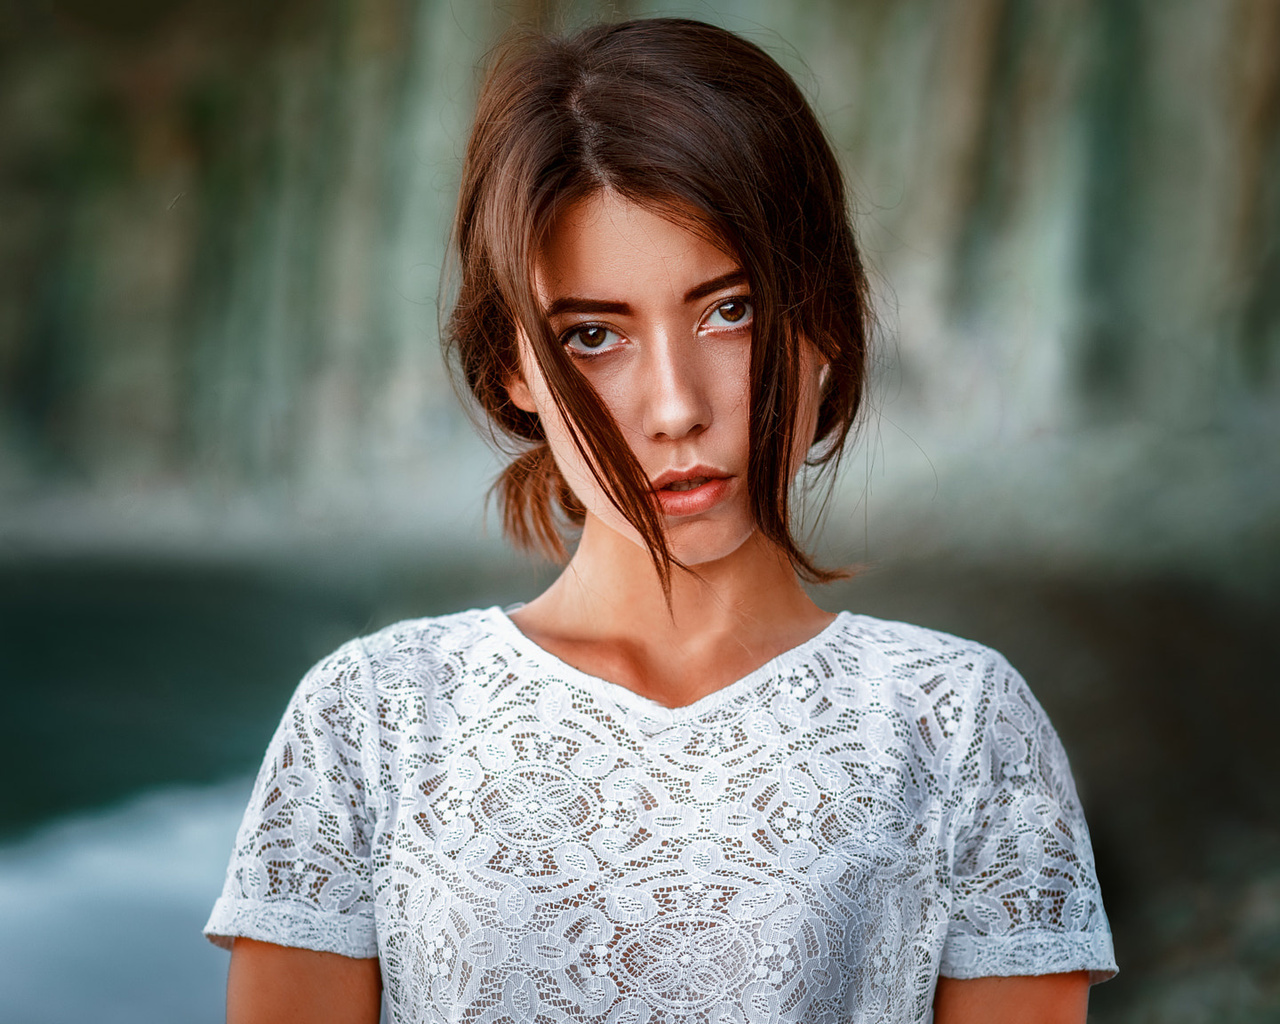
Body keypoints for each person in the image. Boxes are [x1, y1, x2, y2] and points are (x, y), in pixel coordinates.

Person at [205, 17, 1117, 1024]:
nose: (675, 406)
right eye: (593, 336)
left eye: (727, 310)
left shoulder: (957, 725)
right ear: (512, 367)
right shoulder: (370, 717)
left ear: (817, 317)